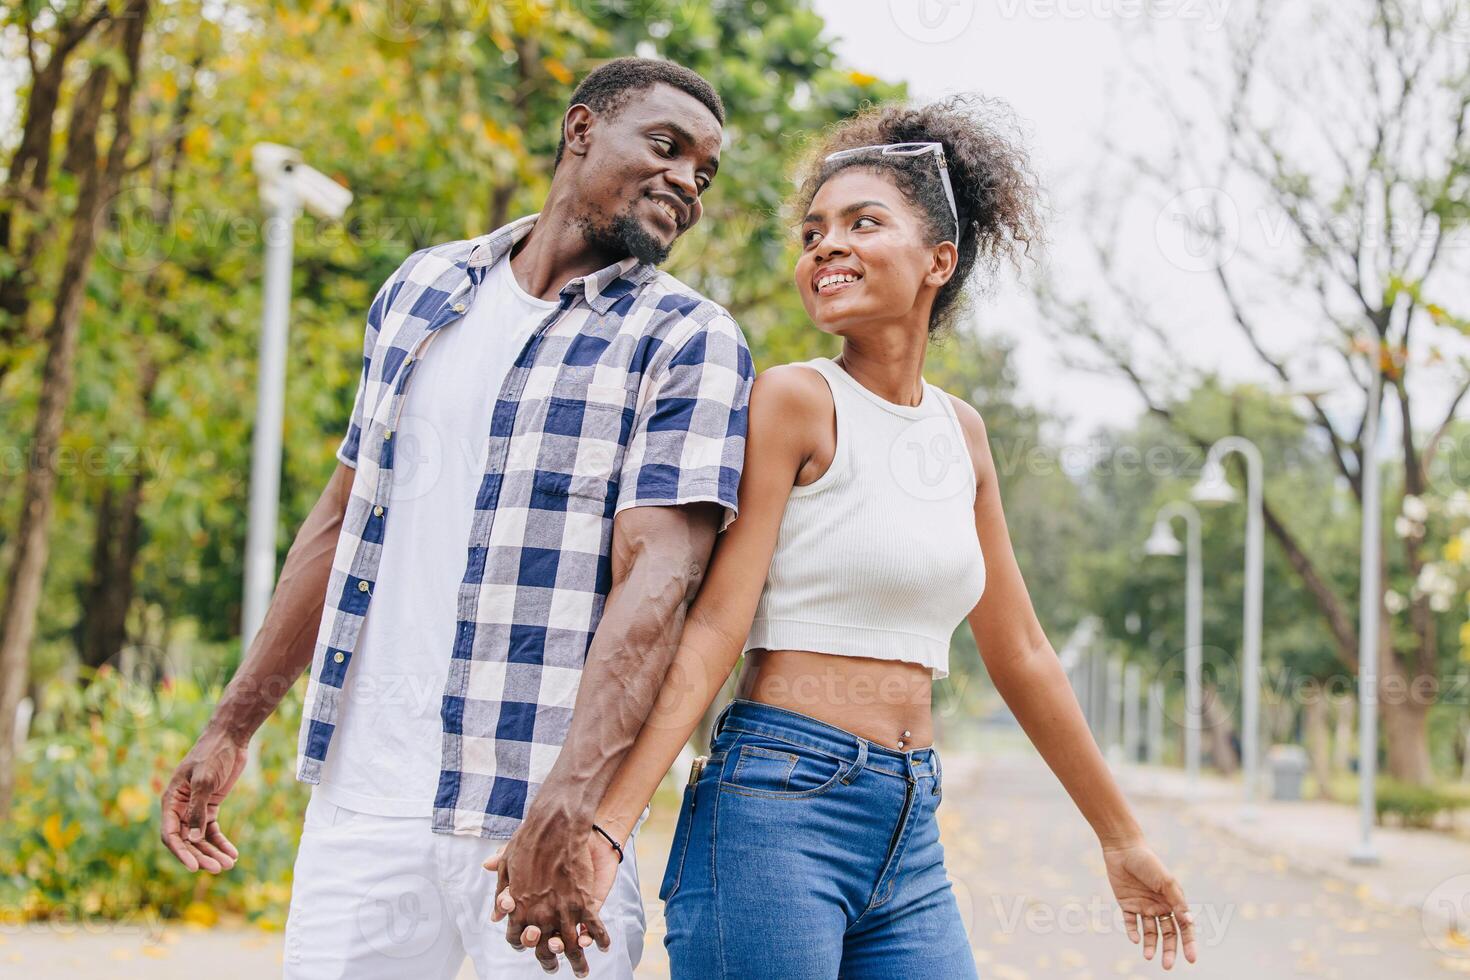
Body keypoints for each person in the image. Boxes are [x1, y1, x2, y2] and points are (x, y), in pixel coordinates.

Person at [490, 96, 1200, 977]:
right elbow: (712, 629)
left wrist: (1120, 838)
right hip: (777, 806)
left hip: (909, 821)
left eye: (864, 222)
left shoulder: (963, 433)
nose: (826, 244)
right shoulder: (795, 401)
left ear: (939, 260)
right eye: (814, 229)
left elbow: (1020, 649)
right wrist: (609, 823)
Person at [158, 56, 755, 980]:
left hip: (536, 810)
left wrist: (573, 800)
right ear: (581, 128)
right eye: (667, 148)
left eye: (704, 175)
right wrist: (233, 725)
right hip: (365, 804)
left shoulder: (688, 339)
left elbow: (660, 582)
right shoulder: (422, 289)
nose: (686, 183)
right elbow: (343, 520)